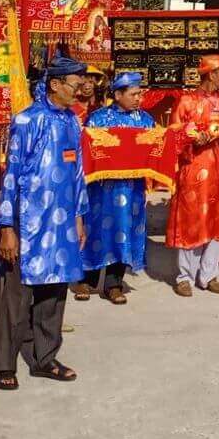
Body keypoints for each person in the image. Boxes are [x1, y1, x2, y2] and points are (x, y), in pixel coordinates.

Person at [0, 54, 88, 389]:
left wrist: (79, 217)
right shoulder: (27, 121)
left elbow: (78, 173)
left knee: (55, 293)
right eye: (74, 85)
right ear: (55, 85)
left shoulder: (73, 122)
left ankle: (45, 357)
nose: (79, 90)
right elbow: (11, 175)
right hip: (28, 225)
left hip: (62, 225)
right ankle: (3, 364)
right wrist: (7, 228)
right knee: (15, 298)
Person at [167, 55, 219, 297]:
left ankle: (209, 275)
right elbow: (172, 136)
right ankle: (185, 277)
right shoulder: (186, 102)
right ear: (211, 74)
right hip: (192, 169)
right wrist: (191, 140)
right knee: (191, 220)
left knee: (216, 220)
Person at [80, 72, 155, 305]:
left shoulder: (145, 121)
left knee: (123, 231)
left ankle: (113, 284)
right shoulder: (98, 119)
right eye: (133, 94)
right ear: (118, 94)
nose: (138, 98)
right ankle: (87, 278)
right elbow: (87, 152)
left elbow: (155, 149)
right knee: (95, 230)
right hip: (101, 189)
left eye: (139, 94)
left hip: (131, 189)